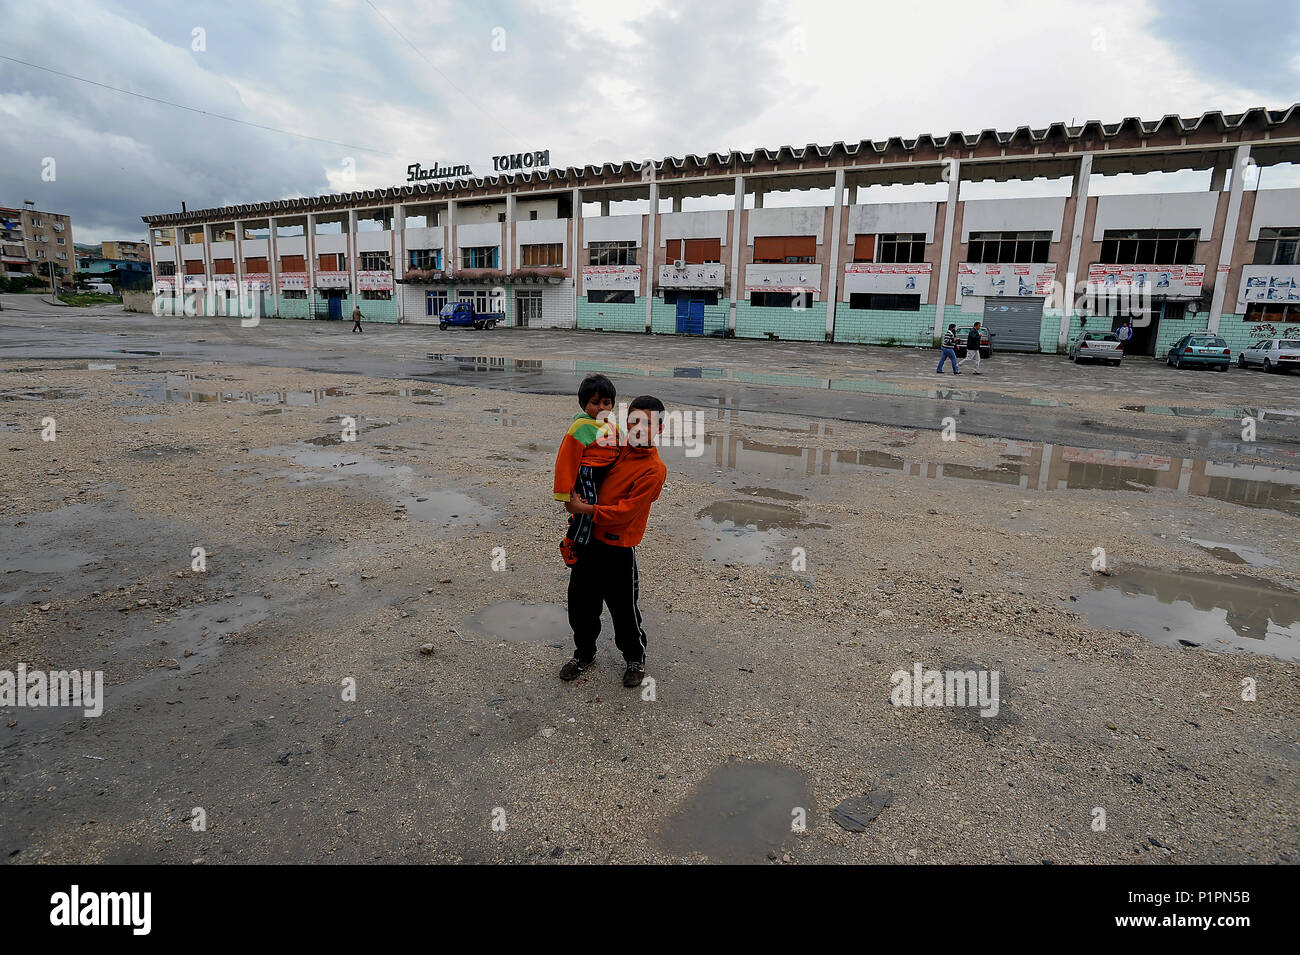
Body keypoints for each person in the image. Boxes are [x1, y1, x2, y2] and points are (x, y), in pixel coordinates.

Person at [559, 395, 668, 689]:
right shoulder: (615, 446)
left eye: (646, 423)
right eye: (633, 421)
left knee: (624, 610)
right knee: (580, 604)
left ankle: (634, 657)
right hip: (588, 541)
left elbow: (625, 513)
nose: (638, 428)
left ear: (659, 428)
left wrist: (584, 509)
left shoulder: (654, 469)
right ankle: (584, 654)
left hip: (618, 548)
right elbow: (583, 452)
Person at [553, 374, 620, 566]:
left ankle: (577, 521)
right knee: (588, 508)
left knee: (593, 508)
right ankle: (571, 541)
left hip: (603, 475)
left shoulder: (613, 427)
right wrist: (565, 492)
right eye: (595, 402)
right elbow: (567, 459)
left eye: (606, 403)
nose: (601, 408)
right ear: (584, 405)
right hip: (588, 474)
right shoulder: (580, 427)